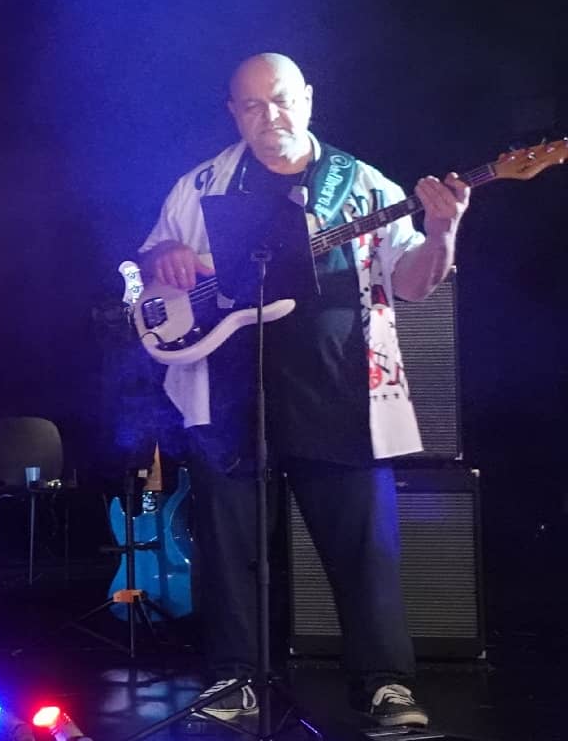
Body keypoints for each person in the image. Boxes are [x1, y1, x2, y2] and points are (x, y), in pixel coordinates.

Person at [137, 53, 467, 731]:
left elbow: (412, 282)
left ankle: (384, 685)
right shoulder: (201, 186)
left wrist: (443, 230)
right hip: (232, 388)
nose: (270, 117)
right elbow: (152, 265)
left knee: (361, 545)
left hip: (339, 386)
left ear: (309, 99)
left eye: (282, 100)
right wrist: (161, 258)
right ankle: (236, 678)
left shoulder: (365, 185)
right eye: (252, 105)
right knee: (229, 544)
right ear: (234, 113)